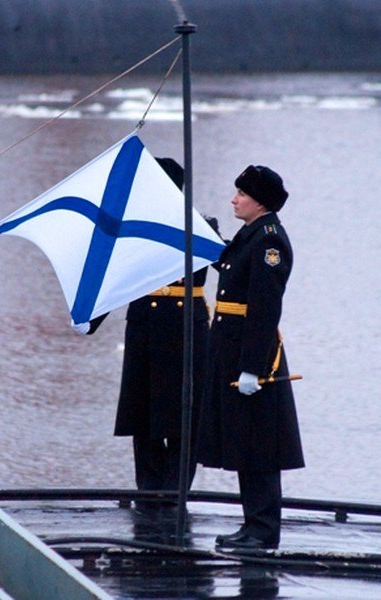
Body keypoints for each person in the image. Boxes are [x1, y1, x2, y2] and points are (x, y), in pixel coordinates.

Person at [79, 158, 216, 508]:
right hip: (145, 327)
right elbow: (117, 278)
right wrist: (89, 318)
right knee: (144, 415)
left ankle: (174, 494)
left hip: (186, 330)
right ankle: (149, 492)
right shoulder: (131, 229)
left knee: (184, 416)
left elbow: (234, 266)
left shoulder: (200, 226)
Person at [196, 164, 304, 549]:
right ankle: (251, 525)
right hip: (232, 349)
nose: (233, 199)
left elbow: (263, 308)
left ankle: (263, 530)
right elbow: (228, 266)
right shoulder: (251, 234)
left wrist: (251, 369)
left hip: (251, 355)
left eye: (241, 193)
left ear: (259, 201)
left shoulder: (269, 241)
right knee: (245, 441)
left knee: (260, 446)